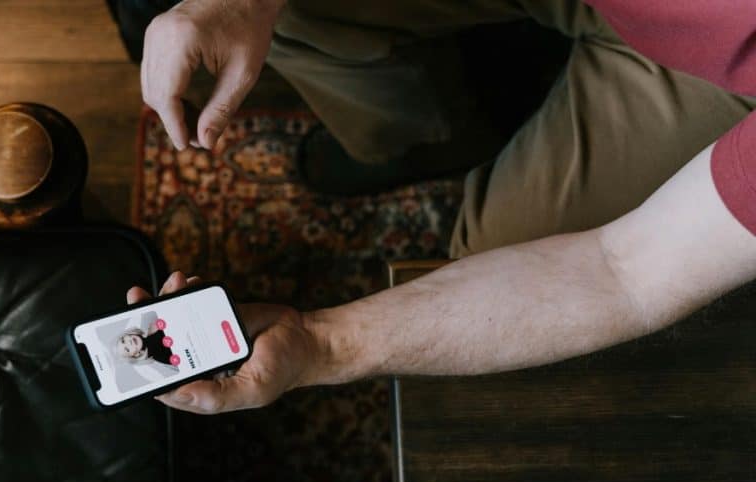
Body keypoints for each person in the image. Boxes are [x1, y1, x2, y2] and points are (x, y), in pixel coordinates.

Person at [133, 0, 756, 415]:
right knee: (293, 11)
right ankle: (416, 135)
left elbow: (623, 272)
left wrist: (321, 343)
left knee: (490, 259)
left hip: (714, 73)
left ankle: (422, 135)